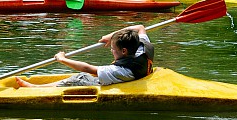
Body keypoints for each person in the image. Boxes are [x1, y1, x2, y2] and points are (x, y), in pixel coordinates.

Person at [15, 25, 153, 87]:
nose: (111, 50)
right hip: (138, 72)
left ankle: (35, 88)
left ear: (124, 51)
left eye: (113, 48)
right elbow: (140, 27)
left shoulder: (121, 70)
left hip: (125, 78)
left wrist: (62, 59)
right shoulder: (142, 46)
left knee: (79, 78)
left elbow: (87, 69)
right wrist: (110, 36)